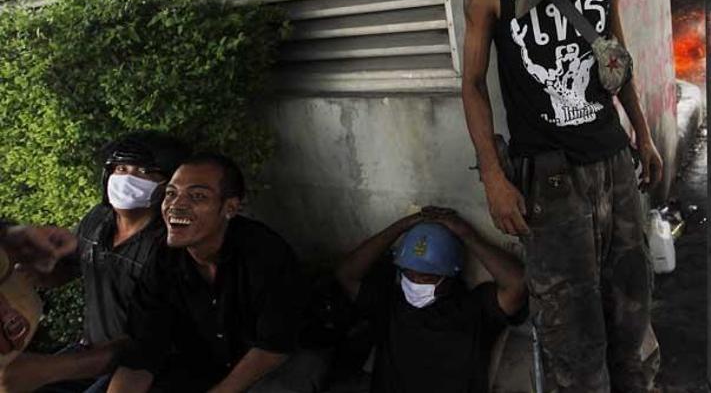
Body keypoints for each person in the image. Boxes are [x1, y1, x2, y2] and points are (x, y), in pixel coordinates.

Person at [461, 0, 665, 392]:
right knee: (570, 334)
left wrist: (643, 133)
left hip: (614, 165)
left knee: (631, 311)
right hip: (548, 181)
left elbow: (616, 56)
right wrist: (494, 178)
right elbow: (472, 84)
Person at [107, 153, 322, 393]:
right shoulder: (164, 259)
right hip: (213, 365)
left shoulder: (264, 253)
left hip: (285, 358)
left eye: (197, 196)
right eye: (171, 193)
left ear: (230, 208)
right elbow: (143, 349)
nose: (176, 205)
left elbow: (274, 346)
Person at [0, 131, 190, 393]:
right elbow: (70, 269)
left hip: (144, 368)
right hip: (88, 352)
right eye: (121, 168)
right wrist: (40, 267)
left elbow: (153, 340)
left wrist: (50, 368)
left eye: (144, 172)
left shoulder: (174, 246)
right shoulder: (99, 219)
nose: (127, 179)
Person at [335, 207, 527, 393]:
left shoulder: (474, 309)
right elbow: (346, 274)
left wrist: (467, 235)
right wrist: (401, 226)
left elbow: (517, 284)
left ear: (449, 277)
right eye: (408, 274)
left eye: (426, 278)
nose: (415, 282)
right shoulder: (390, 303)